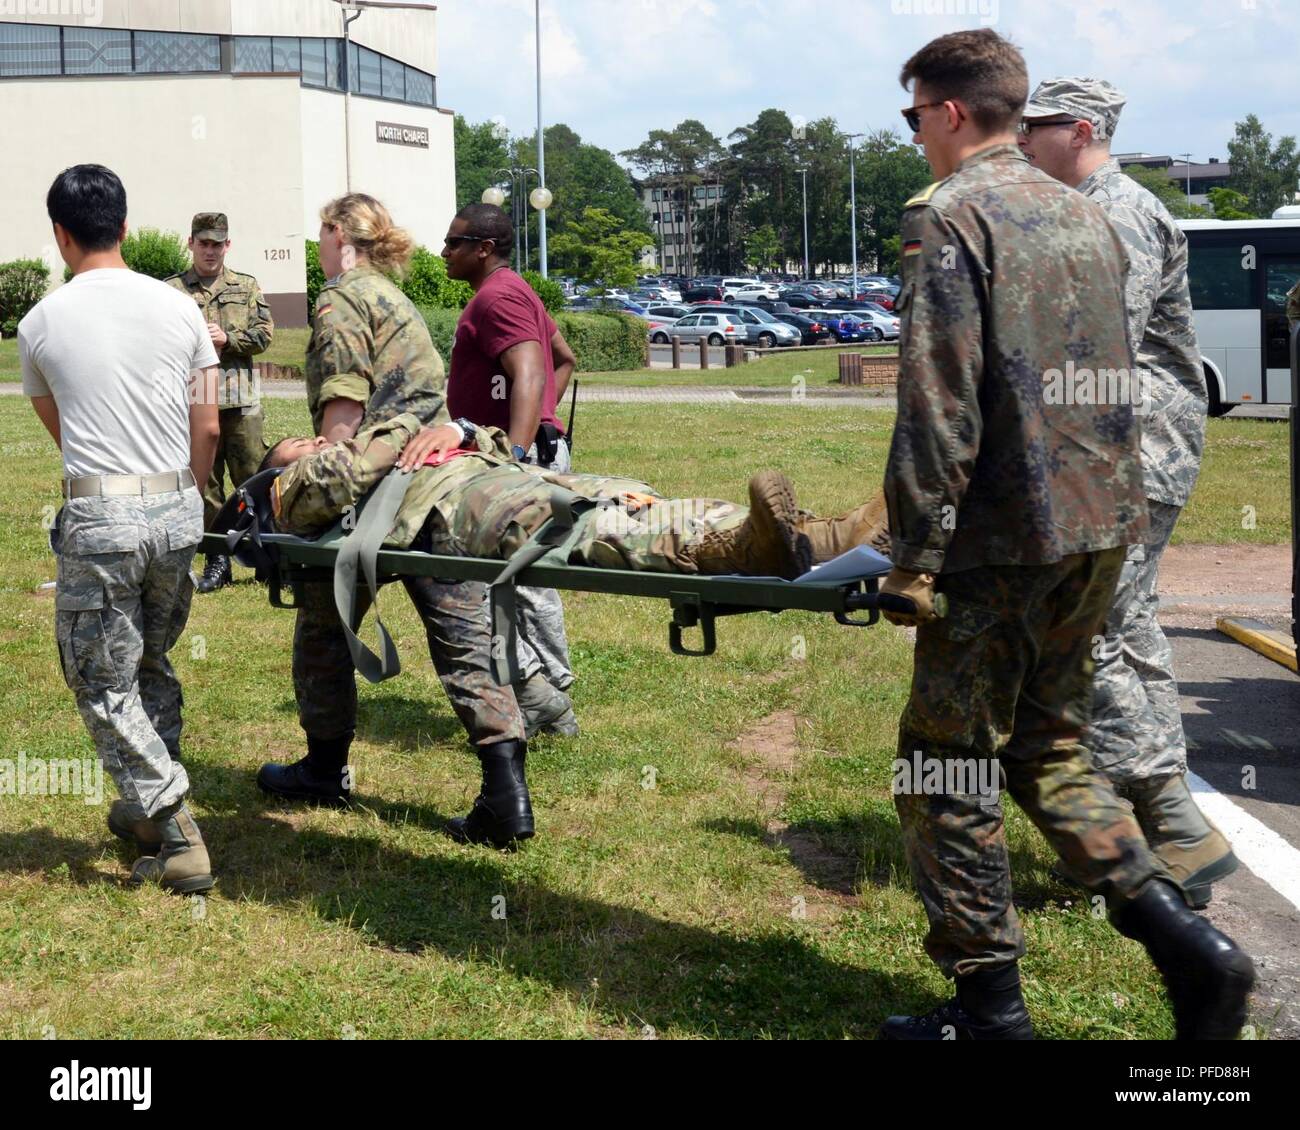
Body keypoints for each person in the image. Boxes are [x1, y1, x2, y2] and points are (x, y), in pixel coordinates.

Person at [877, 29, 1254, 1040]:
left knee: (943, 764)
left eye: (913, 114)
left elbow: (938, 400)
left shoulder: (953, 214)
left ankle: (988, 1006)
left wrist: (913, 555)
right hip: (1097, 525)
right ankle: (1195, 950)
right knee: (1048, 743)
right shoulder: (1083, 212)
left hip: (999, 540)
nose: (913, 133)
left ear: (950, 111)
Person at [254, 193, 550, 849]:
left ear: (336, 234)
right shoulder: (394, 297)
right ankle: (506, 796)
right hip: (434, 484)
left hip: (374, 494)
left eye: (321, 231)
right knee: (464, 635)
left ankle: (325, 769)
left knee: (323, 632)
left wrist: (307, 488)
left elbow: (342, 417)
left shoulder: (340, 298)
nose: (320, 242)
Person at [1017, 78, 1234, 908]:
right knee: (1122, 627)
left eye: (1036, 129)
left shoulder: (1117, 213)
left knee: (1097, 630)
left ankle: (1151, 833)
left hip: (1129, 456)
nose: (1023, 142)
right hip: (1114, 453)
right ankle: (1148, 836)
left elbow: (1091, 349)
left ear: (1080, 130)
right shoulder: (1088, 207)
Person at [20, 165, 221, 893]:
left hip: (102, 511)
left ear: (60, 234)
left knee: (102, 681)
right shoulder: (183, 312)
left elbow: (60, 426)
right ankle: (146, 804)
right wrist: (186, 499)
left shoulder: (41, 322)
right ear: (127, 228)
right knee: (148, 663)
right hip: (177, 509)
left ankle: (172, 828)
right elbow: (207, 422)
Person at [258, 412, 890, 576]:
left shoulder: (376, 443)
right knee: (591, 530)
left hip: (501, 475)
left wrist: (458, 427)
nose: (313, 444)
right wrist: (400, 431)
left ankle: (819, 534)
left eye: (309, 441)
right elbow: (345, 475)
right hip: (467, 509)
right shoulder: (291, 489)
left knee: (635, 499)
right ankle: (744, 551)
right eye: (297, 445)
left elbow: (488, 437)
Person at [442, 204, 580, 731]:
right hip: (530, 449)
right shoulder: (514, 290)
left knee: (505, 581)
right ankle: (548, 694)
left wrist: (514, 456)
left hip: (515, 459)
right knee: (523, 577)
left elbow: (528, 373)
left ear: (483, 248)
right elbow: (563, 359)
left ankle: (546, 698)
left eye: (454, 243)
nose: (445, 251)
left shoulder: (498, 296)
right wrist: (544, 421)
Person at [166, 213, 274, 594]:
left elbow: (264, 335)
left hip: (240, 398)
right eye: (203, 243)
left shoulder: (245, 286)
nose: (210, 251)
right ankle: (217, 559)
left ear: (227, 245)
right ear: (191, 242)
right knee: (207, 483)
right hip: (198, 396)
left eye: (217, 244)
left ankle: (266, 556)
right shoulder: (172, 290)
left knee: (253, 481)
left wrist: (228, 339)